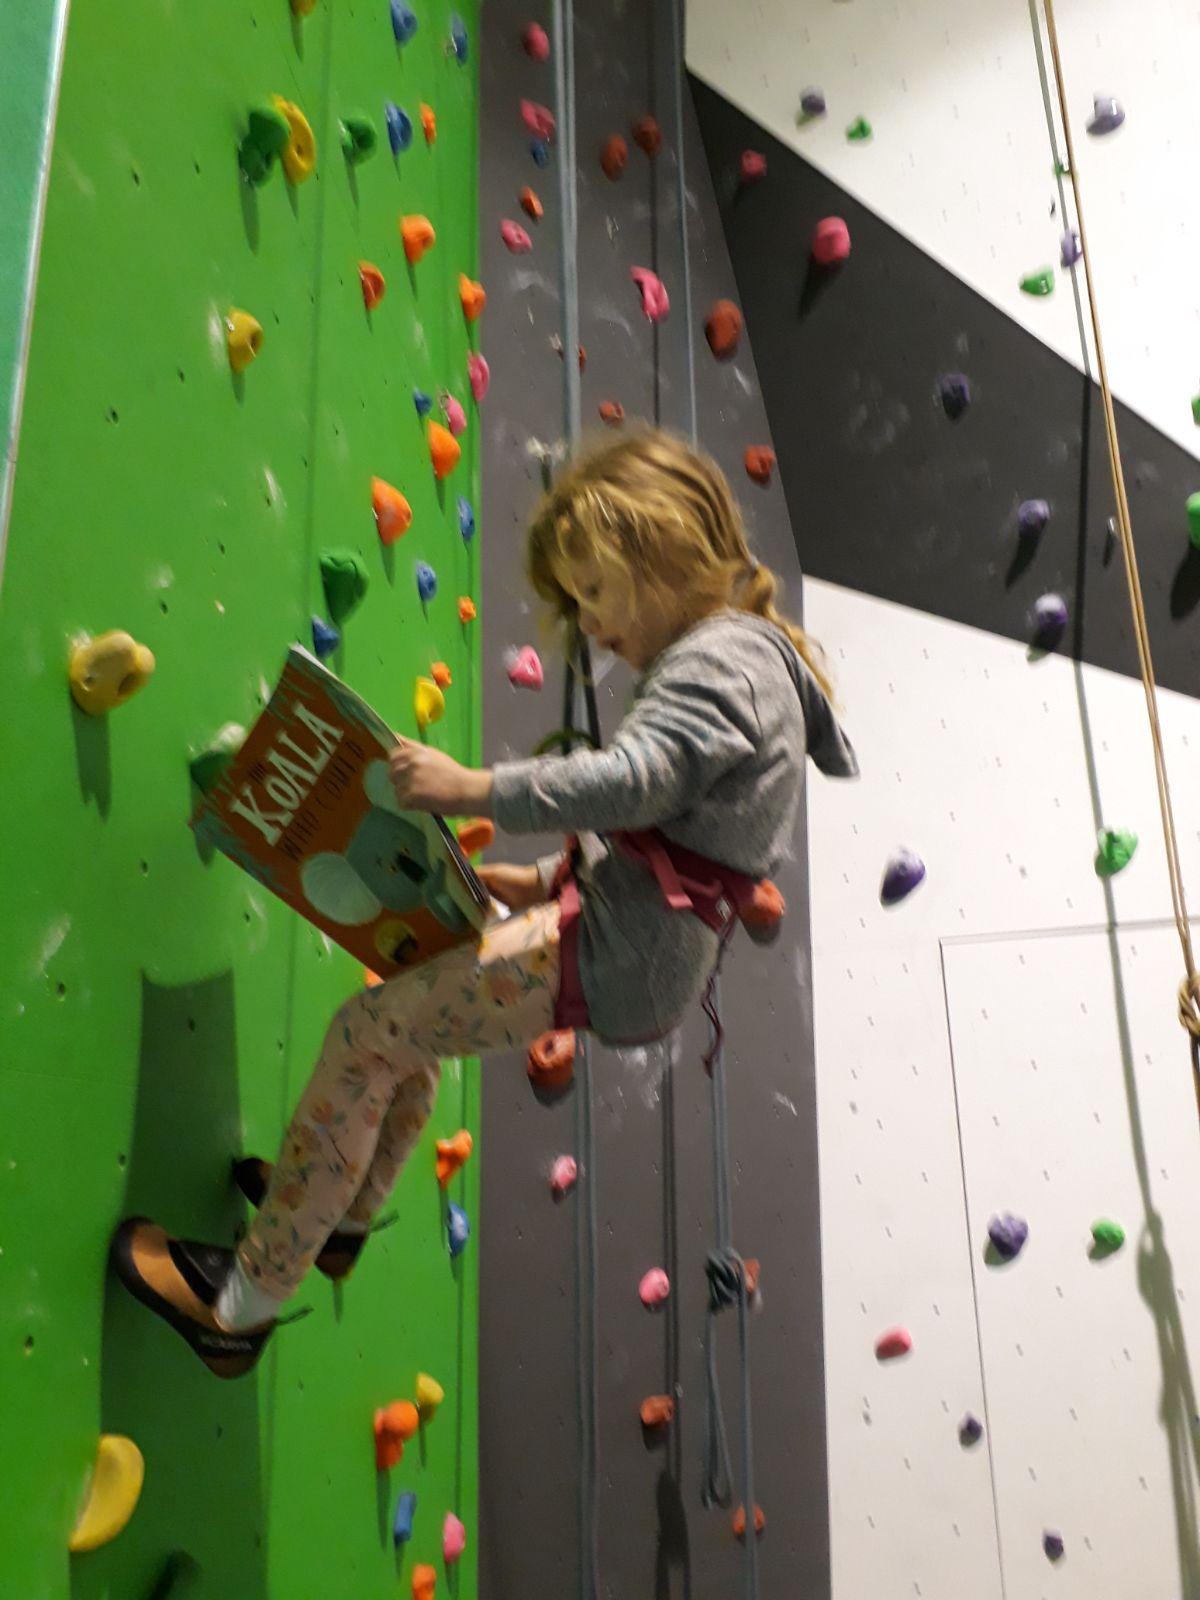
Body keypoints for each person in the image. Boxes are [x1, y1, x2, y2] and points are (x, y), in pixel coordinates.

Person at [111, 427, 857, 1378]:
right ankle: (339, 1219)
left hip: (615, 953)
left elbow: (636, 783)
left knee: (364, 1035)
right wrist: (545, 884)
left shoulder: (721, 665)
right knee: (407, 1022)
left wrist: (473, 789)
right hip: (621, 941)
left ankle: (240, 1304)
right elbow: (690, 838)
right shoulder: (752, 660)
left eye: (595, 590)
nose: (590, 624)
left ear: (662, 542)